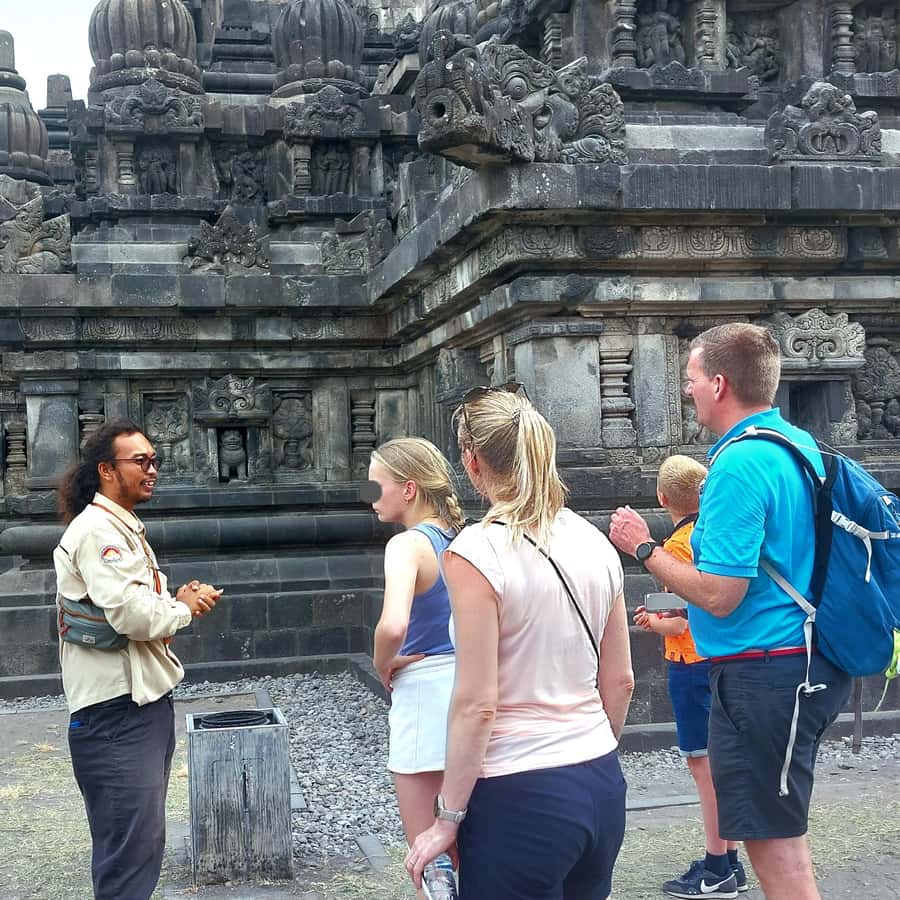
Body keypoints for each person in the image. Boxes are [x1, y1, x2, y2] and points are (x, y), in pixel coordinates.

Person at [609, 324, 852, 900]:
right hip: (796, 659)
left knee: (772, 842)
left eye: (691, 379)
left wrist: (643, 548)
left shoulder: (738, 465)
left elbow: (720, 593)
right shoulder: (796, 444)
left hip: (761, 671)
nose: (687, 391)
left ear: (719, 384)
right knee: (777, 831)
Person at [405, 383, 635, 900]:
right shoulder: (594, 540)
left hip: (518, 789)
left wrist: (447, 817)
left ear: (472, 460)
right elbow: (619, 680)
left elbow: (478, 704)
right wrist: (589, 747)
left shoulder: (476, 551)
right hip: (599, 777)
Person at [54, 419, 223, 900]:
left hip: (135, 705)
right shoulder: (98, 531)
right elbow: (132, 616)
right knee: (128, 854)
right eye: (141, 461)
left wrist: (173, 598)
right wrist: (182, 608)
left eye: (155, 460)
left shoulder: (118, 527)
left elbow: (126, 606)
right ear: (106, 470)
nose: (152, 470)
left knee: (138, 846)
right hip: (116, 713)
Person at [633, 454, 744, 898]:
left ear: (662, 498)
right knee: (716, 766)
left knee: (704, 767)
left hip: (690, 664)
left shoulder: (676, 548)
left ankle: (718, 866)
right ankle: (728, 858)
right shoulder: (711, 533)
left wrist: (650, 622)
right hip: (717, 662)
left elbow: (680, 623)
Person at [368, 438, 466, 900]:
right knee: (465, 836)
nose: (372, 496)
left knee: (429, 852)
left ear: (408, 490)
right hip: (470, 684)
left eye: (377, 485)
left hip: (425, 690)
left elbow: (393, 625)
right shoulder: (462, 537)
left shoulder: (407, 545)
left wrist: (381, 662)